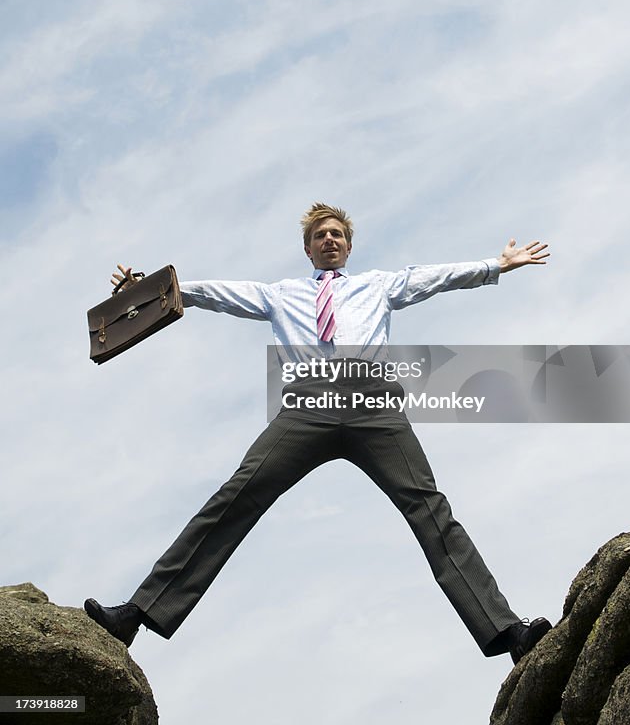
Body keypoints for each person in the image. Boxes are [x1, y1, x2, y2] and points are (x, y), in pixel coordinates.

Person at [85, 202, 552, 663]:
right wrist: (149, 291)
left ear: (348, 247)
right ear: (308, 250)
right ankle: (136, 612)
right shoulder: (280, 293)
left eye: (338, 235)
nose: (330, 239)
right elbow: (213, 292)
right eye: (319, 236)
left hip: (373, 404)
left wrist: (496, 265)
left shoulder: (378, 285)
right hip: (307, 405)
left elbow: (432, 278)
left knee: (431, 510)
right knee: (233, 498)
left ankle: (508, 631)